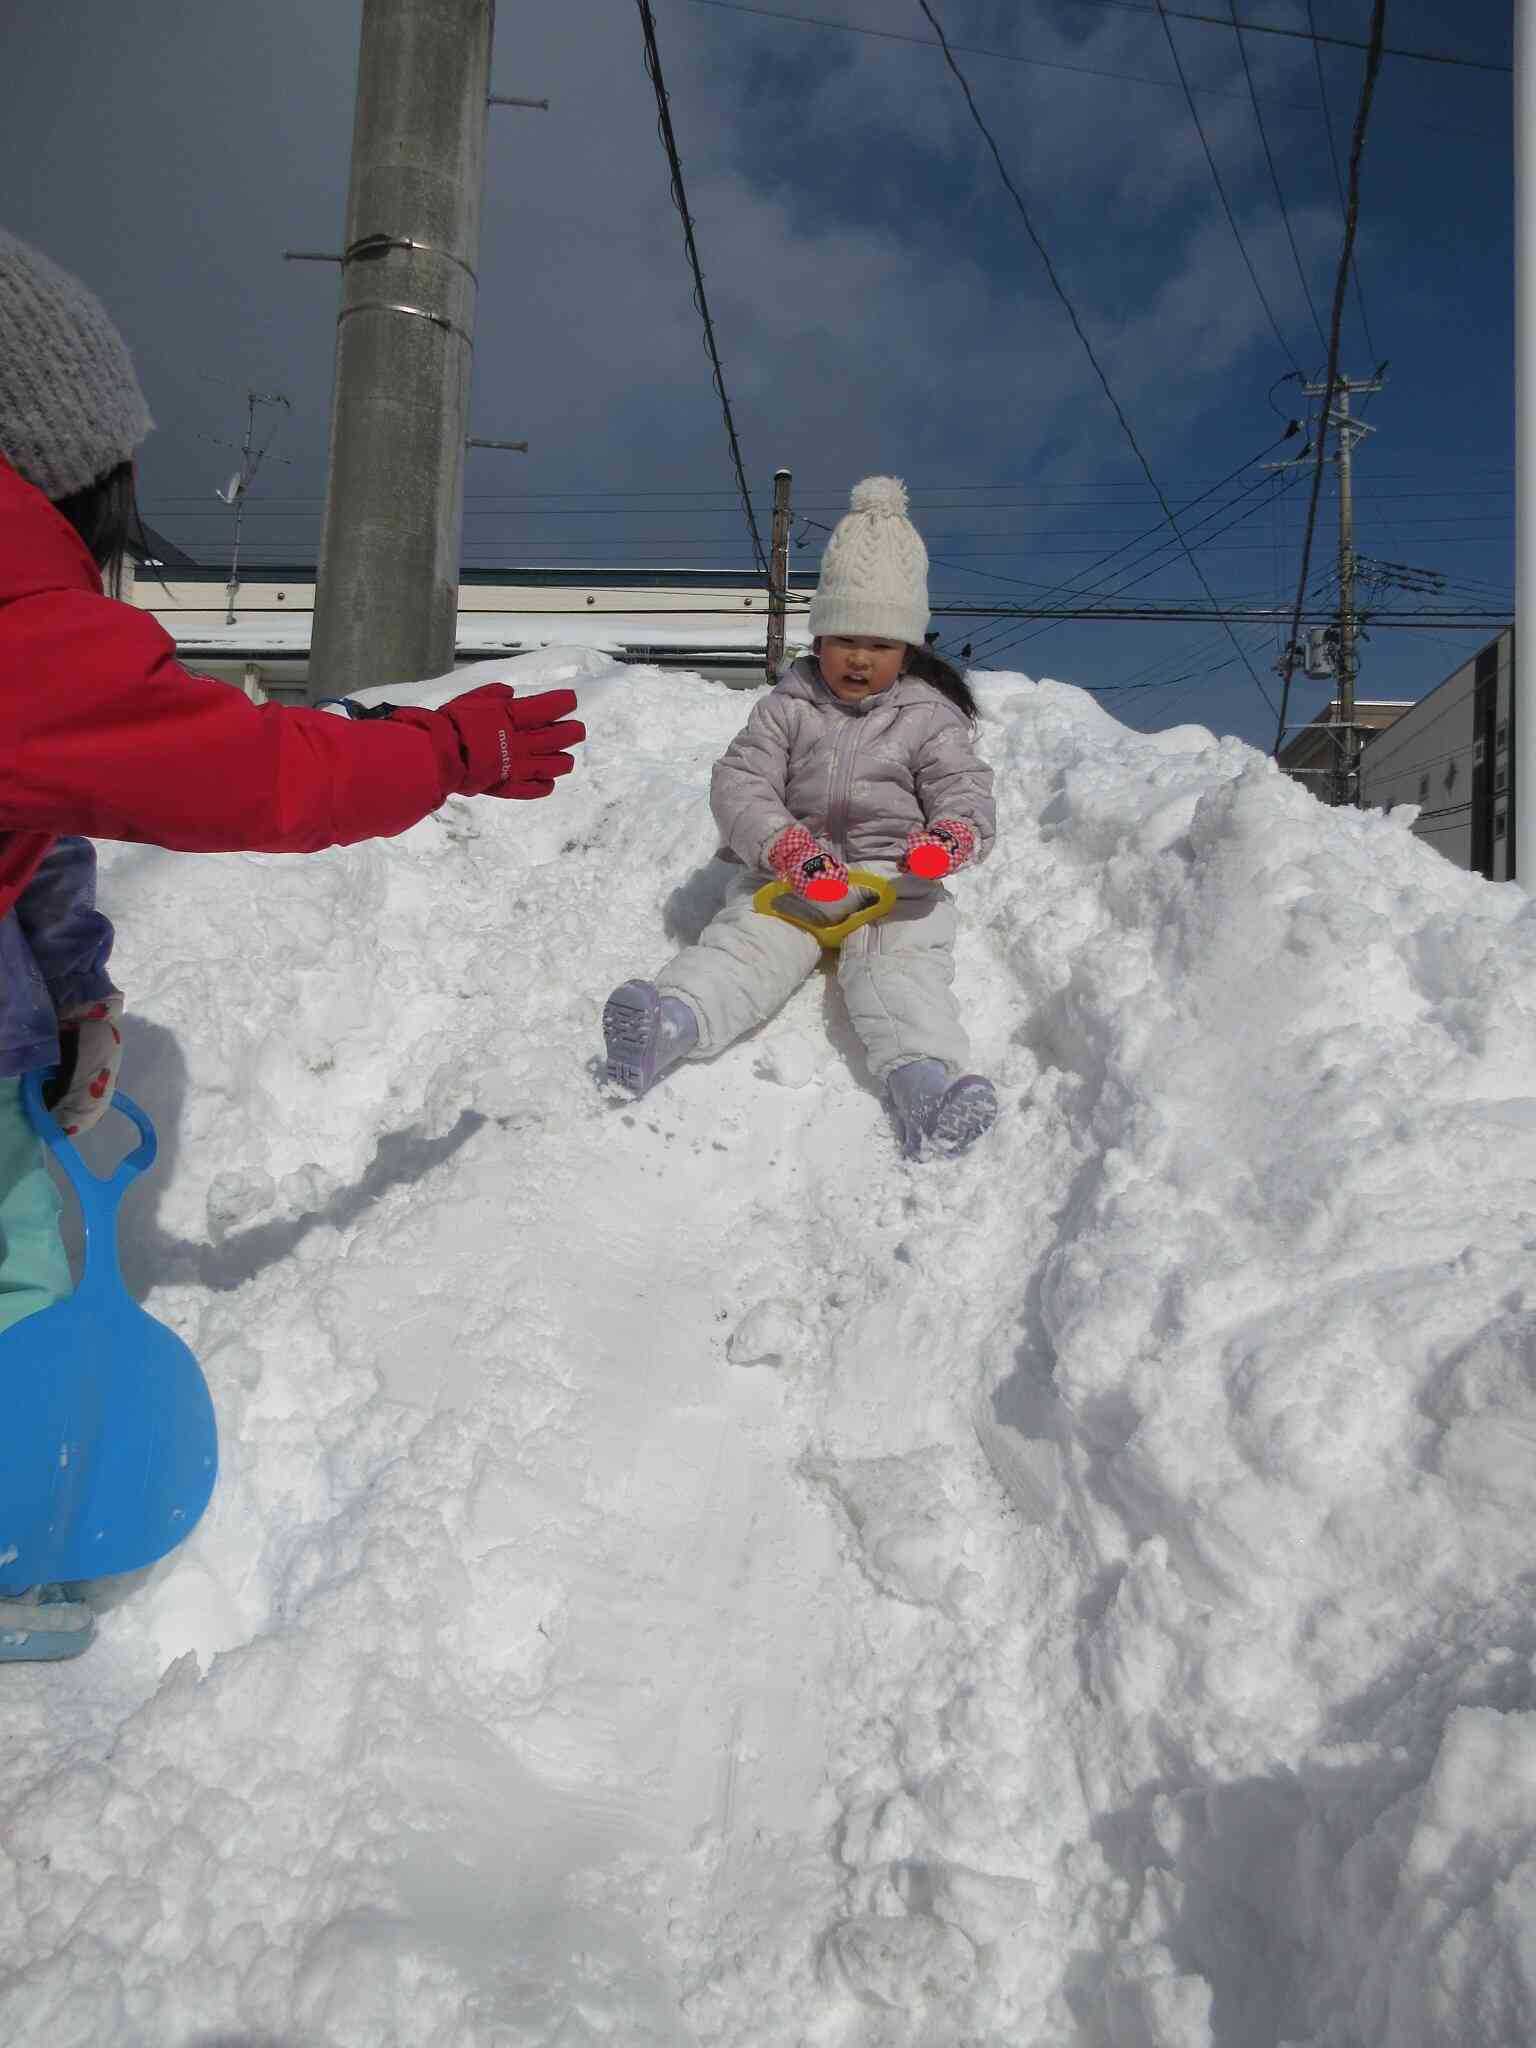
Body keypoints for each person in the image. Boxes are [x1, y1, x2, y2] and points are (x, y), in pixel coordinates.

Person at [0, 229, 585, 1661]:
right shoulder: (20, 623)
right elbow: (257, 774)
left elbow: (40, 816)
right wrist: (445, 750)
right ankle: (23, 1535)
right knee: (14, 1273)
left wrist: (73, 988)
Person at [601, 475, 997, 1158]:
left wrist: (950, 839)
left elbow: (964, 789)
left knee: (901, 975)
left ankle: (926, 1090)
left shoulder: (931, 718)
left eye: (879, 641)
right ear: (819, 637)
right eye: (844, 637)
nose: (859, 657)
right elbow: (741, 782)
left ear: (908, 648)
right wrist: (783, 848)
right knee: (746, 947)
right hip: (797, 878)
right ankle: (669, 1026)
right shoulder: (787, 707)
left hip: (892, 886)